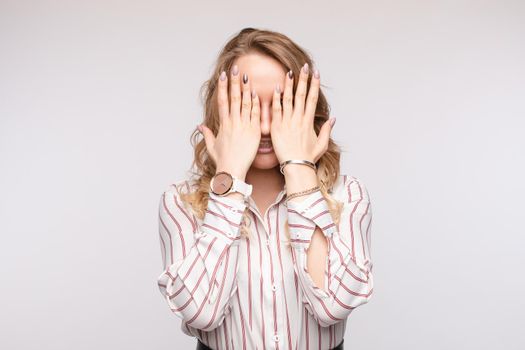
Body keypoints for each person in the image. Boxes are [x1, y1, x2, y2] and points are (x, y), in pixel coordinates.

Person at [156, 27, 374, 350]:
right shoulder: (180, 203)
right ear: (221, 109)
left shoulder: (349, 195)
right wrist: (229, 176)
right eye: (249, 105)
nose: (266, 125)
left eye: (282, 104)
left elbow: (334, 306)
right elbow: (201, 313)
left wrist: (299, 167)